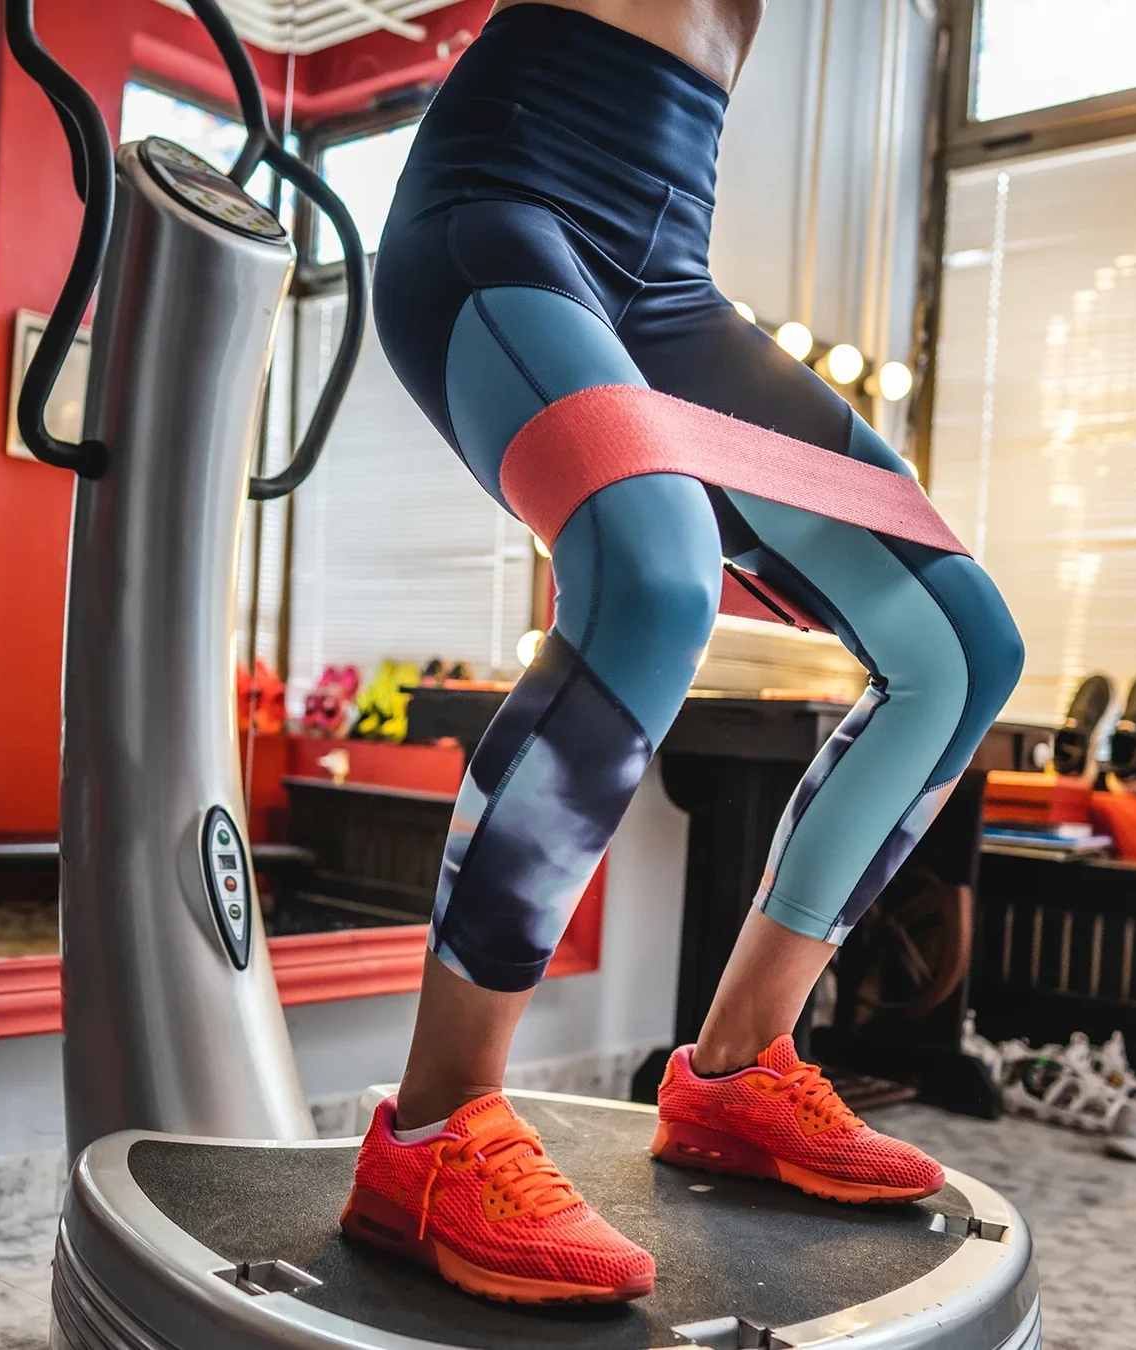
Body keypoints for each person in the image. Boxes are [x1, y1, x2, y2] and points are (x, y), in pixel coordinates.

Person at [339, 0, 1026, 1305]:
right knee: (657, 579)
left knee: (962, 645)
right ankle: (431, 1131)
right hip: (503, 207)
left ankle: (736, 1071)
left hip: (667, 269)